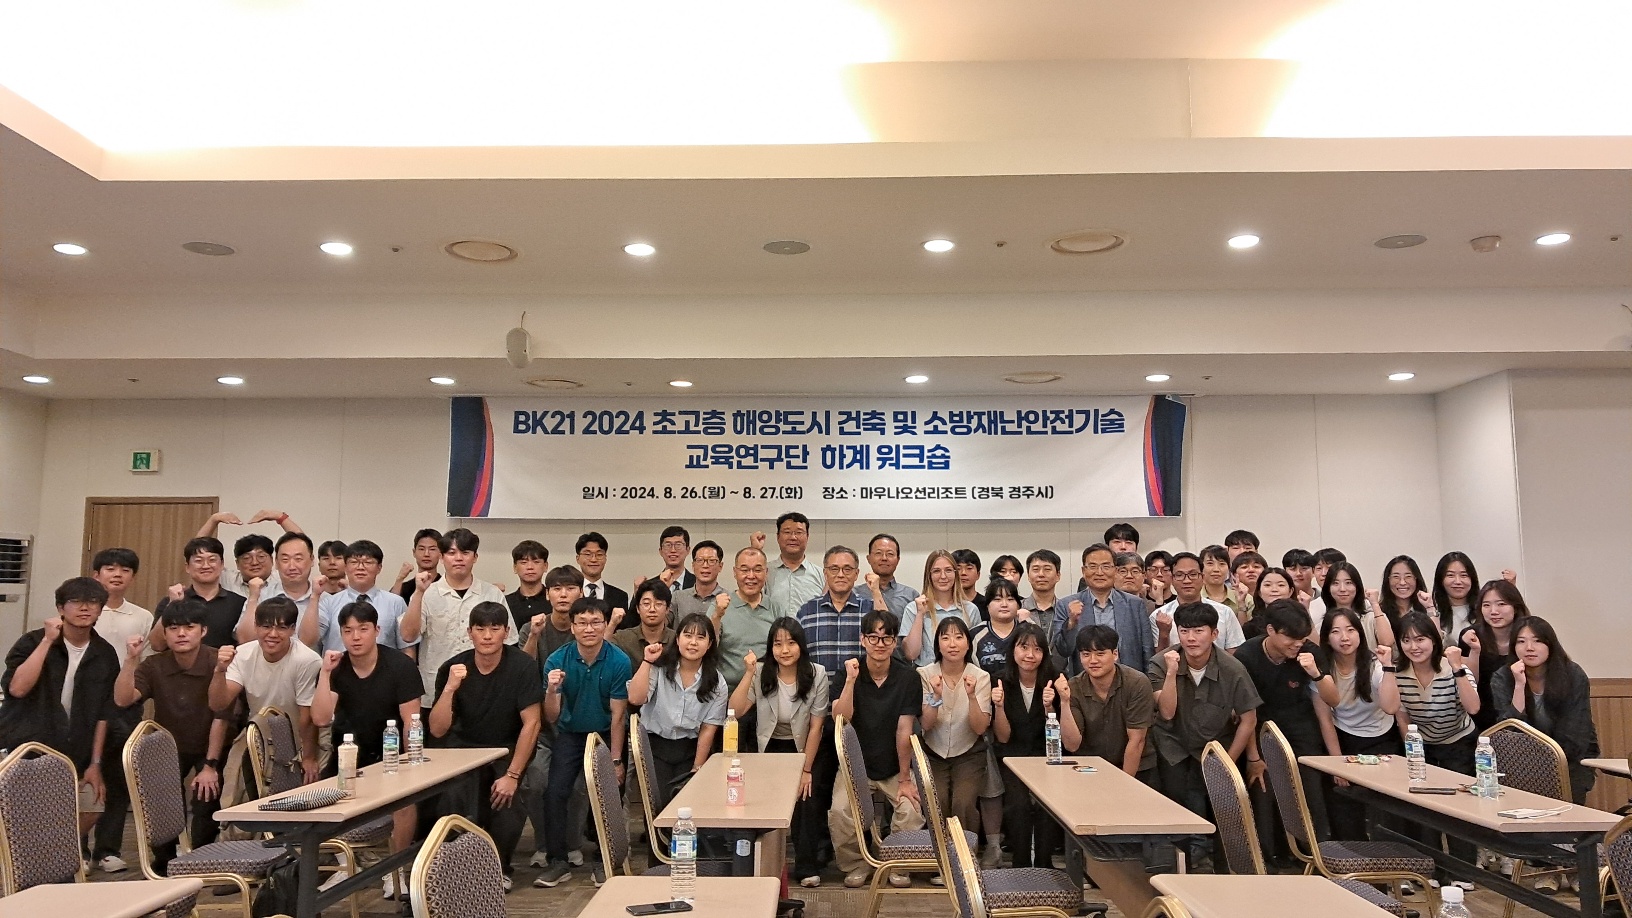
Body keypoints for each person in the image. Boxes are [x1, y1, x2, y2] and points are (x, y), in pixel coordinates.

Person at [310, 599, 424, 895]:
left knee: (405, 800)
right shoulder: (337, 668)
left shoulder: (400, 665)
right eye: (348, 631)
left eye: (363, 629)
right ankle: (346, 865)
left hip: (391, 753)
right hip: (348, 753)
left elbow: (411, 720)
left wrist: (410, 761)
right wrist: (325, 673)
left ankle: (395, 870)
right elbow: (320, 718)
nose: (356, 637)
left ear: (377, 630)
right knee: (325, 799)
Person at [429, 602, 543, 890]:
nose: (488, 636)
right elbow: (437, 729)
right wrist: (450, 688)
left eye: (495, 628)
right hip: (463, 751)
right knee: (452, 797)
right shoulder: (452, 668)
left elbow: (532, 723)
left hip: (506, 748)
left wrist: (513, 775)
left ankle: (498, 867)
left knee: (506, 797)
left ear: (506, 631)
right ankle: (457, 870)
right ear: (470, 632)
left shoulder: (523, 666)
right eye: (480, 629)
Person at [0, 578, 119, 849]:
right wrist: (47, 642)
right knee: (25, 817)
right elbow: (17, 689)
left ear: (100, 609)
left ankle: (53, 855)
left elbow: (104, 713)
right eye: (76, 602)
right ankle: (27, 860)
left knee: (92, 805)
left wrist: (95, 763)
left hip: (75, 751)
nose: (84, 608)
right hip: (26, 746)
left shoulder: (104, 653)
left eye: (92, 602)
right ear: (60, 608)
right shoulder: (32, 642)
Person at [113, 600, 231, 866]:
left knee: (206, 799)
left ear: (203, 631)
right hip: (170, 746)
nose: (181, 634)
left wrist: (210, 765)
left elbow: (221, 716)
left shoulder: (217, 660)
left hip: (211, 744)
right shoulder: (154, 664)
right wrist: (130, 660)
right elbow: (123, 699)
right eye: (173, 628)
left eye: (189, 627)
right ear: (164, 633)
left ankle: (201, 858)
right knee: (161, 800)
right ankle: (165, 862)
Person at [1147, 601, 1261, 862]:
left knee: (1222, 804)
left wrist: (1228, 762)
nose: (1191, 638)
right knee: (1175, 801)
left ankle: (1222, 864)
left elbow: (1249, 719)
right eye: (1184, 631)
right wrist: (1172, 673)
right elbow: (1166, 712)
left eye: (1199, 631)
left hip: (1215, 745)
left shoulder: (1233, 669)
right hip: (1173, 743)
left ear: (1214, 634)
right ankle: (1180, 863)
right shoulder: (1161, 663)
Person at [535, 599, 632, 888]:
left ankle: (604, 861)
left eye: (595, 622)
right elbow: (551, 716)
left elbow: (618, 716)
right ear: (573, 627)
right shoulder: (557, 660)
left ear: (605, 625)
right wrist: (552, 689)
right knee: (555, 792)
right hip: (571, 733)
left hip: (605, 734)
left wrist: (616, 760)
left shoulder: (619, 660)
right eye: (582, 623)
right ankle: (558, 861)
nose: (589, 629)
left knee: (609, 794)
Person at [729, 618, 831, 887]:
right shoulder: (762, 671)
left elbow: (816, 727)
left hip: (805, 747)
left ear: (801, 646)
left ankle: (806, 867)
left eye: (791, 643)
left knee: (806, 799)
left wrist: (806, 770)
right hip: (770, 746)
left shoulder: (817, 674)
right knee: (764, 803)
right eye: (778, 644)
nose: (784, 650)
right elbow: (735, 711)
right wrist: (749, 673)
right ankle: (765, 867)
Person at [829, 609, 925, 889]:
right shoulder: (848, 672)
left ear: (895, 642)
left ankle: (896, 864)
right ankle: (856, 864)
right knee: (840, 812)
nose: (880, 644)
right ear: (863, 639)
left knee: (911, 809)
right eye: (873, 637)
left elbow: (905, 729)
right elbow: (841, 719)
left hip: (895, 765)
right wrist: (850, 681)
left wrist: (905, 779)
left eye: (887, 638)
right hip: (855, 765)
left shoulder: (908, 677)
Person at [1236, 600, 1336, 858]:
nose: (1297, 644)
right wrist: (1253, 757)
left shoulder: (1309, 651)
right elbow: (1246, 712)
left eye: (1301, 638)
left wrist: (1315, 673)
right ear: (1271, 630)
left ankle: (1317, 854)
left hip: (1300, 725)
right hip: (1261, 727)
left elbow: (1333, 699)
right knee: (1263, 787)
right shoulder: (1247, 655)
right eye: (1290, 638)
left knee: (1310, 790)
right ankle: (1269, 857)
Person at [795, 545, 872, 873]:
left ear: (857, 573)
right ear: (824, 573)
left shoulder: (869, 610)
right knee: (813, 787)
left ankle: (861, 858)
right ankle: (811, 862)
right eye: (834, 569)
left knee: (856, 790)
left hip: (859, 718)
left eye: (847, 568)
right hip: (817, 716)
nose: (841, 574)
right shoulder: (806, 612)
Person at [1393, 610, 1480, 879]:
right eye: (1406, 640)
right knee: (1425, 809)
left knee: (1460, 809)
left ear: (1434, 640)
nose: (1414, 647)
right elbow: (1400, 714)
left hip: (1459, 741)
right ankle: (1431, 871)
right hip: (1423, 746)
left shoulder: (1453, 667)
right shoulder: (1398, 673)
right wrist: (1413, 749)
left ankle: (1464, 873)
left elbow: (1473, 707)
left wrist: (1458, 668)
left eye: (1420, 639)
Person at [519, 565, 590, 872]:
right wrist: (534, 635)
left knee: (578, 786)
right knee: (535, 782)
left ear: (581, 592)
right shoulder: (533, 626)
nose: (564, 594)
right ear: (547, 594)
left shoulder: (587, 627)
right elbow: (522, 669)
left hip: (578, 726)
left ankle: (571, 844)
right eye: (557, 589)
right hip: (542, 726)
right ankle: (544, 844)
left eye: (570, 588)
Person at [208, 596, 323, 784]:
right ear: (256, 626)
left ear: (293, 629)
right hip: (257, 733)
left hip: (299, 737)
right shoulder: (242, 654)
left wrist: (309, 757)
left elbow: (306, 718)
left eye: (282, 628)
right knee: (232, 785)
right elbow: (218, 703)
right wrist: (219, 670)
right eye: (266, 626)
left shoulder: (307, 660)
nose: (273, 634)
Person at [1312, 608, 1400, 840]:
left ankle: (1392, 856)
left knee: (1386, 807)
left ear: (1360, 634)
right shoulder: (1322, 670)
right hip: (1344, 739)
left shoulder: (1374, 664)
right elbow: (1325, 718)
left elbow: (1391, 707)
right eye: (1336, 632)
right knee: (1343, 802)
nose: (1344, 637)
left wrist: (1389, 668)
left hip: (1382, 738)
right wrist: (1337, 764)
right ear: (1326, 638)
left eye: (1350, 630)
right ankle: (1353, 855)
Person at [1491, 616, 1598, 803]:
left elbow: (1575, 732)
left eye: (1537, 641)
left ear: (1550, 645)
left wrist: (1545, 764)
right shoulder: (1502, 677)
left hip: (1569, 759)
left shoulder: (1573, 674)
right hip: (1521, 763)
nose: (1529, 648)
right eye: (1521, 642)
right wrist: (1519, 685)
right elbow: (1509, 732)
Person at [627, 613, 728, 810]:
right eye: (687, 636)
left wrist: (697, 768)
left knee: (686, 805)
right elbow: (635, 699)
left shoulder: (717, 682)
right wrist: (647, 661)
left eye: (700, 637)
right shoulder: (659, 667)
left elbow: (709, 728)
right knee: (659, 805)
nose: (693, 643)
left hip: (690, 748)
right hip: (655, 745)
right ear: (677, 639)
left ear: (709, 644)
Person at [88, 550, 149, 873]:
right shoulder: (84, 611)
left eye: (125, 570)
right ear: (96, 574)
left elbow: (144, 665)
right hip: (86, 704)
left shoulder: (141, 616)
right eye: (109, 568)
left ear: (133, 577)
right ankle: (77, 849)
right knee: (82, 776)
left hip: (124, 705)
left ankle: (107, 850)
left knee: (118, 777)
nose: (117, 574)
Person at [402, 528, 510, 710]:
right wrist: (419, 592)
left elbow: (507, 641)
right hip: (437, 686)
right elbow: (407, 635)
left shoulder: (492, 594)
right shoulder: (426, 593)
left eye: (465, 552)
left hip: (484, 688)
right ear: (442, 557)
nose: (458, 558)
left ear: (475, 557)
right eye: (452, 553)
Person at [917, 617, 993, 862]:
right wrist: (935, 696)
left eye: (959, 637)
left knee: (963, 802)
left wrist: (971, 696)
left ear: (968, 644)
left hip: (969, 753)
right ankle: (938, 861)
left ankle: (964, 861)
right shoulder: (924, 674)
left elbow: (980, 727)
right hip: (933, 752)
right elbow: (926, 724)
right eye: (946, 637)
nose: (952, 644)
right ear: (937, 644)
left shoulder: (980, 676)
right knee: (936, 800)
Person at [991, 621, 1062, 869]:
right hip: (1012, 756)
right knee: (1018, 804)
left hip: (1046, 756)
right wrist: (999, 707)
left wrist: (1050, 707)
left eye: (1037, 649)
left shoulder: (1054, 681)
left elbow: (1057, 734)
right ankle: (1020, 862)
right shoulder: (1000, 681)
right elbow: (1002, 737)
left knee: (1047, 804)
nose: (1030, 655)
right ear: (1013, 650)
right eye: (1024, 647)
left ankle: (1044, 862)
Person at [1060, 624, 1156, 783]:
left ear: (1115, 654)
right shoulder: (1073, 687)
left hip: (1136, 768)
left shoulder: (1137, 683)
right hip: (1090, 769)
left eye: (1100, 654)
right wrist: (1064, 702)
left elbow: (1137, 741)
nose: (1093, 661)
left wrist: (1125, 784)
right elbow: (1072, 745)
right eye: (1086, 654)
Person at [1054, 544, 1148, 677]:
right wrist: (1071, 623)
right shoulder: (1066, 605)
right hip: (1085, 683)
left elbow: (1147, 650)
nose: (1099, 572)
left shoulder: (1135, 604)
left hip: (1129, 682)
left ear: (1115, 570)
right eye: (1093, 566)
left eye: (1106, 566)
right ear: (1083, 571)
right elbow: (1063, 650)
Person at [312, 540, 416, 657]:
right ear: (345, 567)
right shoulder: (328, 603)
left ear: (379, 568)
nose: (360, 567)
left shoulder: (396, 603)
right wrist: (314, 596)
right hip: (339, 666)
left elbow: (407, 646)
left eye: (368, 562)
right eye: (354, 562)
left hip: (386, 667)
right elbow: (310, 640)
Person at [151, 537, 247, 651]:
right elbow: (156, 645)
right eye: (198, 561)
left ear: (222, 565)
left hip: (224, 662)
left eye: (212, 560)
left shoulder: (239, 603)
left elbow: (246, 644)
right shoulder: (170, 601)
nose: (205, 566)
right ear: (187, 567)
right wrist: (172, 605)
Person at [713, 546, 785, 695]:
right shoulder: (720, 606)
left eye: (757, 570)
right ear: (735, 572)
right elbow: (708, 646)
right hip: (727, 693)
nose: (751, 576)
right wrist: (717, 616)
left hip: (768, 692)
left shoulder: (776, 608)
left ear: (766, 573)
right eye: (744, 570)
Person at [1460, 579, 1530, 732]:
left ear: (1515, 607)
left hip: (1523, 716)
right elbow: (1469, 682)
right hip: (1480, 718)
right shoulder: (1470, 636)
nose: (1493, 611)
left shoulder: (1529, 637)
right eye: (1486, 605)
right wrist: (1474, 652)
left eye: (1501, 604)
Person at [1150, 552, 1245, 657]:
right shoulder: (1159, 616)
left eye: (1193, 574)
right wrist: (1164, 634)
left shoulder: (1224, 612)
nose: (1187, 581)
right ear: (1172, 579)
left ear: (1203, 577)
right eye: (1180, 575)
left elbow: (1234, 655)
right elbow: (1158, 659)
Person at [235, 532, 320, 644]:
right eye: (285, 560)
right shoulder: (261, 595)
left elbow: (308, 643)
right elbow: (245, 640)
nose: (292, 566)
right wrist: (253, 598)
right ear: (276, 562)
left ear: (312, 560)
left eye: (298, 559)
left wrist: (315, 597)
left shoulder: (324, 598)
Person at [196, 509, 305, 595]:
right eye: (247, 558)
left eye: (261, 557)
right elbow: (196, 549)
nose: (254, 562)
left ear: (272, 560)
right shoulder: (228, 579)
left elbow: (302, 545)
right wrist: (214, 519)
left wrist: (280, 517)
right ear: (237, 563)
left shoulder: (282, 578)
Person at [901, 550, 982, 667]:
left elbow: (975, 653)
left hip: (961, 673)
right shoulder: (914, 608)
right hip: (924, 673)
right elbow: (911, 654)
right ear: (929, 575)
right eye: (936, 571)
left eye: (948, 570)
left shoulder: (970, 609)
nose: (943, 576)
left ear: (955, 574)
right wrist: (920, 614)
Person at [1311, 562, 1395, 649]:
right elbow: (1319, 648)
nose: (1342, 589)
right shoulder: (1325, 621)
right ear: (1328, 588)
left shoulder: (1371, 617)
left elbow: (1387, 642)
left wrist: (1375, 604)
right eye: (1335, 583)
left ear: (1357, 586)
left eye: (1348, 583)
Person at [758, 512, 825, 612]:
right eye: (787, 532)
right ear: (778, 536)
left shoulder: (821, 575)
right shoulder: (765, 572)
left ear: (807, 536)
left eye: (799, 532)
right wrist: (756, 550)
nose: (793, 537)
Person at [609, 579, 677, 673]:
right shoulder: (622, 639)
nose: (652, 609)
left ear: (667, 609)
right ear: (638, 608)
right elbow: (602, 653)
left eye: (658, 604)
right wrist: (612, 624)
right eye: (646, 604)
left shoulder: (677, 639)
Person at [970, 578, 1024, 675]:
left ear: (1018, 605)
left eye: (1010, 599)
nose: (1004, 604)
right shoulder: (974, 635)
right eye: (997, 599)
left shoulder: (1029, 632)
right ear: (987, 605)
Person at [863, 533, 920, 619]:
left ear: (898, 560)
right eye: (878, 553)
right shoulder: (855, 594)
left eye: (890, 554)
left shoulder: (911, 595)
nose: (884, 558)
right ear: (869, 559)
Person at [1430, 552, 1480, 646]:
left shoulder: (1483, 610)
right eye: (1450, 575)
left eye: (1464, 575)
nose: (1458, 581)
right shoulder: (1433, 612)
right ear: (1441, 580)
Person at [670, 540, 728, 621]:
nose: (705, 565)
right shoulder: (678, 597)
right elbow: (661, 623)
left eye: (711, 561)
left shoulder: (728, 599)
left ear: (720, 566)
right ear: (693, 565)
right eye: (700, 560)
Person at [575, 532, 629, 614]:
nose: (593, 559)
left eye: (599, 554)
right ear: (578, 558)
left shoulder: (620, 596)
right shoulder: (570, 594)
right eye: (588, 554)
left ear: (605, 558)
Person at [1377, 555, 1430, 639]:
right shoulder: (1379, 612)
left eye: (1408, 576)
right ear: (1388, 580)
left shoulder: (1428, 609)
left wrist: (1430, 608)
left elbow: (1437, 639)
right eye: (1396, 577)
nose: (1402, 582)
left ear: (1416, 579)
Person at [505, 540, 551, 632]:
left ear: (545, 566)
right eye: (523, 562)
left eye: (536, 562)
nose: (530, 567)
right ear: (515, 567)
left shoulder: (554, 600)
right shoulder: (505, 602)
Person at [1241, 567, 1297, 640]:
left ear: (1290, 591)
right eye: (1267, 585)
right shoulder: (1251, 627)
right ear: (1259, 592)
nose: (1274, 589)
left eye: (1281, 585)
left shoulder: (1300, 620)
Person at [393, 528, 443, 605]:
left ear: (441, 553)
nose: (426, 554)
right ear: (414, 552)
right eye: (421, 549)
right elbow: (392, 607)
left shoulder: (445, 585)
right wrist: (399, 579)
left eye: (432, 549)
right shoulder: (405, 588)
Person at [653, 526, 697, 593]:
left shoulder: (698, 583)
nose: (673, 550)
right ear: (660, 551)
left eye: (678, 545)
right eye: (668, 545)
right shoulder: (651, 586)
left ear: (688, 550)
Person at [1227, 551, 1268, 623]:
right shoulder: (1227, 597)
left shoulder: (1271, 594)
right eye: (1244, 567)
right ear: (1233, 575)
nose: (1251, 570)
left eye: (1256, 567)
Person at [1198, 544, 1236, 618]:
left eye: (1222, 564)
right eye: (1210, 563)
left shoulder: (1243, 599)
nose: (1216, 569)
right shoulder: (1194, 598)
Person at [1021, 549, 1062, 614]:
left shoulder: (1066, 609)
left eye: (1047, 569)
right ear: (1028, 576)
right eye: (1036, 569)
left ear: (1058, 576)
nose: (1041, 574)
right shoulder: (1017, 608)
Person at [953, 549, 986, 617]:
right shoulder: (945, 604)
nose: (963, 573)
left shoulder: (987, 605)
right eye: (958, 569)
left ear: (978, 575)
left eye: (969, 568)